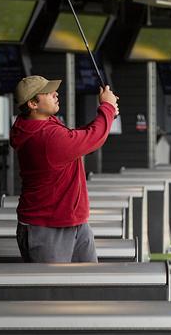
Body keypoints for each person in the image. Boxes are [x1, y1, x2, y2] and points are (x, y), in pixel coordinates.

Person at [9, 75, 119, 263]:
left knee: (89, 288)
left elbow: (77, 137)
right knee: (54, 291)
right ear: (33, 104)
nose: (55, 93)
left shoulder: (45, 125)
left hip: (73, 222)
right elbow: (91, 138)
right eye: (47, 92)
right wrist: (107, 108)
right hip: (46, 228)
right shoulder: (45, 137)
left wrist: (106, 113)